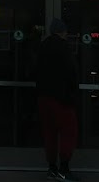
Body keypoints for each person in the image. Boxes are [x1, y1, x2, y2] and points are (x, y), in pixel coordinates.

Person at [36, 18, 80, 181]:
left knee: (50, 133)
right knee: (68, 132)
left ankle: (52, 167)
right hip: (61, 98)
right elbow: (71, 71)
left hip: (44, 97)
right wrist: (72, 93)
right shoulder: (64, 48)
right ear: (63, 31)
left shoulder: (43, 47)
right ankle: (64, 168)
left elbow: (35, 69)